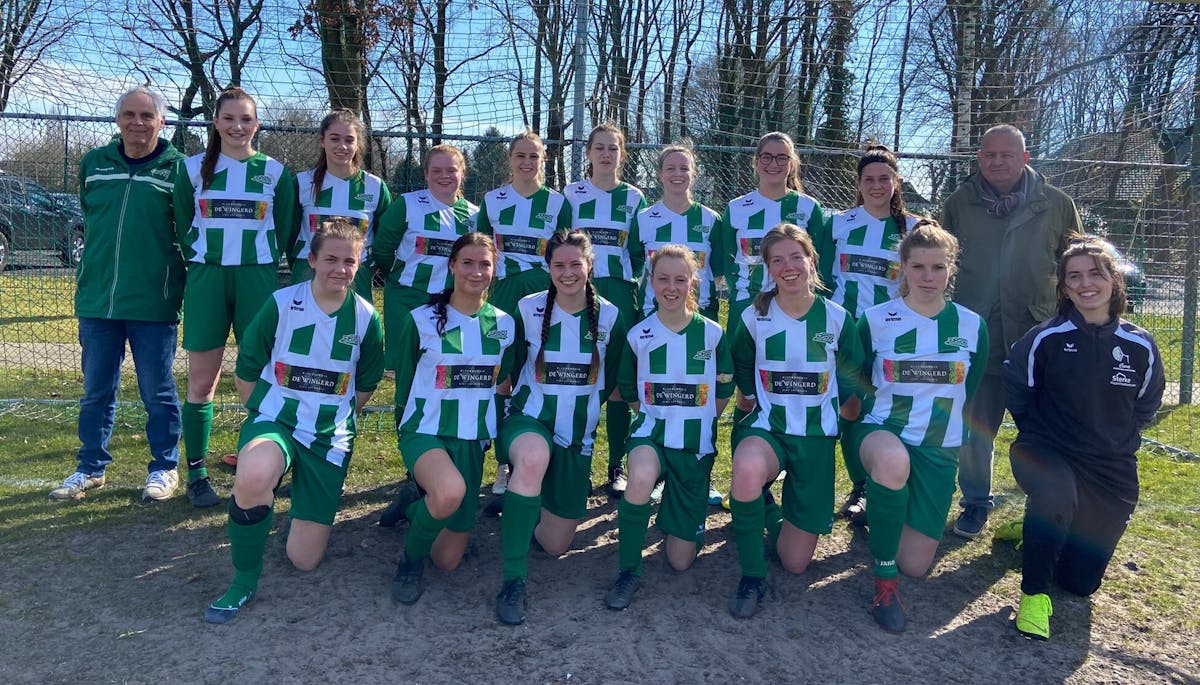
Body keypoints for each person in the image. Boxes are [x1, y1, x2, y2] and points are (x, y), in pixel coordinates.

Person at [203, 218, 384, 624]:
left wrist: (332, 416)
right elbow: (246, 370)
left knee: (303, 560)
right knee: (253, 474)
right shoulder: (283, 304)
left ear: (359, 266)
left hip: (329, 436)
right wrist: (268, 413)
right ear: (312, 260)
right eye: (331, 259)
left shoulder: (366, 317)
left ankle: (295, 504)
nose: (340, 268)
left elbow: (367, 382)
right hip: (277, 421)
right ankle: (243, 581)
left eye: (350, 261)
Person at [1001, 237, 1164, 641]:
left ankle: (1039, 531)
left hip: (1109, 468)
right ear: (1064, 287)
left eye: (1096, 273)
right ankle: (1033, 596)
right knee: (1056, 492)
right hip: (1046, 452)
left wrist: (1112, 439)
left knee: (1078, 584)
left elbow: (1147, 405)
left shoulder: (1140, 345)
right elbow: (1017, 388)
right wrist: (1038, 432)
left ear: (1114, 281)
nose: (1085, 283)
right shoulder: (1045, 338)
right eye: (1074, 276)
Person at [941, 124, 1082, 539]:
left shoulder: (1056, 204)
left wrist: (1071, 325)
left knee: (1044, 432)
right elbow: (939, 264)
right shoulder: (960, 203)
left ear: (1025, 158)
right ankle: (975, 503)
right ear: (978, 158)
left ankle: (1047, 509)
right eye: (989, 154)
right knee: (974, 430)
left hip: (1037, 338)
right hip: (979, 336)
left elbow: (1076, 265)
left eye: (1007, 155)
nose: (997, 162)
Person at [49, 87, 187, 503]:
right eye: (129, 114)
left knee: (157, 390)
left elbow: (187, 230)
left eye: (146, 115)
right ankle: (90, 467)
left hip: (153, 302)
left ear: (162, 122)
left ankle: (164, 467)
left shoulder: (179, 170)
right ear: (118, 120)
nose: (137, 122)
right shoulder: (94, 164)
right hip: (97, 301)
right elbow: (90, 215)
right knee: (96, 390)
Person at [852, 220, 988, 633]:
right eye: (918, 267)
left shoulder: (971, 325)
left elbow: (970, 389)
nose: (928, 276)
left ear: (951, 270)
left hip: (938, 446)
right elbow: (856, 381)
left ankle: (886, 512)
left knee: (915, 564)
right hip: (883, 431)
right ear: (903, 268)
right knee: (892, 463)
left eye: (938, 267)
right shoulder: (876, 320)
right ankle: (884, 584)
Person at [726, 224, 863, 618]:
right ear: (768, 268)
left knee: (795, 563)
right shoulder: (755, 316)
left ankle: (768, 511)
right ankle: (752, 576)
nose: (788, 267)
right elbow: (740, 361)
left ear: (811, 260)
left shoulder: (836, 318)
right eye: (777, 260)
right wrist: (749, 396)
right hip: (768, 429)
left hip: (816, 438)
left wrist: (845, 411)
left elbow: (854, 375)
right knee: (747, 469)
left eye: (795, 257)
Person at [493, 230, 626, 625]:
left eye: (575, 264)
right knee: (533, 458)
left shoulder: (611, 316)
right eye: (559, 265)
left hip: (577, 437)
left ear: (590, 266)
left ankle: (525, 504)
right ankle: (513, 580)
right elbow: (508, 372)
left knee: (555, 546)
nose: (567, 273)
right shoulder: (527, 309)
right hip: (529, 420)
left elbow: (612, 382)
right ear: (547, 267)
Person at [174, 87, 297, 508]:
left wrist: (258, 261)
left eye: (245, 119)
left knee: (261, 377)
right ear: (216, 122)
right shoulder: (192, 169)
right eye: (228, 118)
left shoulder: (276, 173)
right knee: (201, 381)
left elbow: (284, 228)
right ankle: (197, 475)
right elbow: (182, 225)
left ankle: (260, 465)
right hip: (207, 278)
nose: (237, 126)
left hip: (256, 280)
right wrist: (205, 254)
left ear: (256, 124)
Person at [389, 233, 517, 606]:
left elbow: (502, 384)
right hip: (425, 431)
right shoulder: (421, 320)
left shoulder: (505, 324)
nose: (476, 271)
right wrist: (404, 432)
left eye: (484, 264)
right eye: (467, 263)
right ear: (452, 266)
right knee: (448, 492)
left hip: (471, 439)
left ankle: (412, 504)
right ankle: (409, 562)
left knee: (447, 561)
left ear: (494, 270)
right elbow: (405, 384)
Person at [603, 244, 733, 611]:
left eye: (680, 279)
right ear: (651, 282)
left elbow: (725, 385)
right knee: (641, 477)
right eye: (663, 279)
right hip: (652, 436)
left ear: (693, 283)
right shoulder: (639, 334)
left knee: (680, 561)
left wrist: (700, 418)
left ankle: (675, 515)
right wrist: (651, 416)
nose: (671, 287)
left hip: (694, 446)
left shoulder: (712, 333)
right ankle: (628, 570)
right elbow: (627, 387)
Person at [477, 131, 572, 507]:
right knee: (503, 376)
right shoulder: (492, 201)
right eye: (520, 155)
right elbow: (482, 250)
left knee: (541, 372)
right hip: (504, 296)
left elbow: (565, 254)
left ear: (543, 160)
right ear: (510, 159)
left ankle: (543, 455)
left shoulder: (557, 203)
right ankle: (504, 461)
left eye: (534, 156)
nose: (527, 162)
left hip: (544, 298)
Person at [825, 144, 916, 522]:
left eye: (884, 178)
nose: (877, 186)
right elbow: (821, 275)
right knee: (850, 407)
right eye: (869, 179)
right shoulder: (837, 224)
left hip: (892, 335)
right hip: (847, 333)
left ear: (896, 182)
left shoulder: (914, 228)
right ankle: (860, 486)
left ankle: (892, 483)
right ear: (859, 184)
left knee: (889, 409)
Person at [715, 131, 831, 423]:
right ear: (755, 162)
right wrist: (742, 295)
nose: (773, 164)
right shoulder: (737, 208)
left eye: (782, 157)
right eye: (766, 157)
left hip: (794, 307)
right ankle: (745, 442)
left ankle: (789, 438)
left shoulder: (808, 208)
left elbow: (818, 262)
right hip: (748, 305)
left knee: (788, 380)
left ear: (792, 163)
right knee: (746, 388)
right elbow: (729, 259)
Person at [563, 123, 647, 499]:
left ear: (622, 154)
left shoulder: (634, 197)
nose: (606, 154)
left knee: (616, 383)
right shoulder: (571, 194)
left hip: (621, 292)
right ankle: (575, 464)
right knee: (577, 377)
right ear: (588, 153)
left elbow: (638, 252)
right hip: (580, 293)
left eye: (613, 148)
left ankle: (616, 466)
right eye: (599, 147)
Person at [373, 144, 478, 370]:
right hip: (406, 297)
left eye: (451, 170)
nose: (444, 176)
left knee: (442, 366)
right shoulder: (407, 204)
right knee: (405, 365)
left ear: (462, 173)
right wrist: (399, 275)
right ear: (426, 174)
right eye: (437, 170)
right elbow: (382, 248)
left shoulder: (474, 216)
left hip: (450, 301)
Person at [290, 108, 391, 299]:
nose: (342, 146)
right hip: (308, 272)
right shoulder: (302, 183)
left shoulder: (375, 187)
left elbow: (384, 238)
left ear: (358, 143)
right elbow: (289, 231)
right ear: (323, 141)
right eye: (335, 139)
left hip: (355, 275)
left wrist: (369, 265)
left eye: (349, 140)